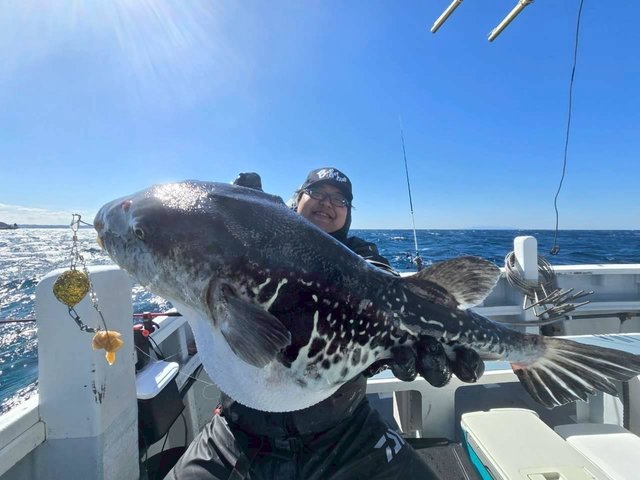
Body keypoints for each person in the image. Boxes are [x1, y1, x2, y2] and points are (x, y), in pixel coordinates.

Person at [166, 168, 478, 480]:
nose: (328, 203)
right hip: (239, 432)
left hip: (345, 431)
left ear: (348, 213)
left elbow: (380, 278)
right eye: (317, 192)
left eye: (340, 199)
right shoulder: (254, 241)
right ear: (297, 199)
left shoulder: (362, 255)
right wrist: (241, 215)